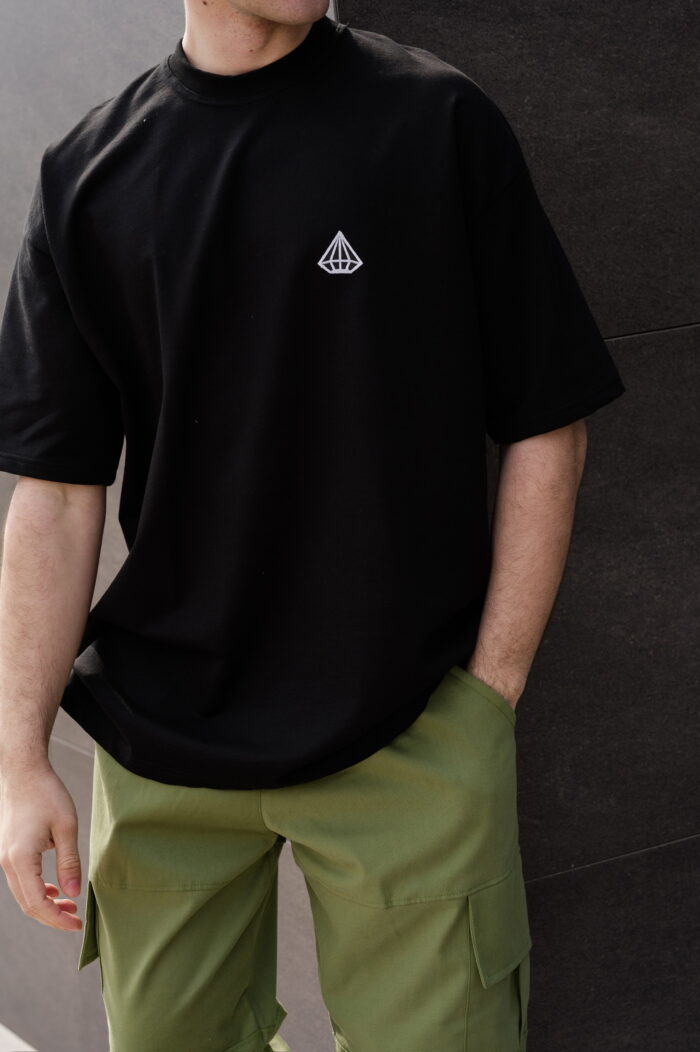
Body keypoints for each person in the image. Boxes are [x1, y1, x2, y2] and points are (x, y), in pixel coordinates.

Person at [0, 2, 626, 1050]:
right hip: (163, 752)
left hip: (408, 735)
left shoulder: (436, 123)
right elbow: (56, 493)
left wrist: (487, 698)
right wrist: (19, 759)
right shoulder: (90, 173)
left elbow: (545, 421)